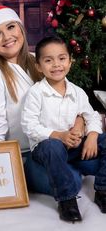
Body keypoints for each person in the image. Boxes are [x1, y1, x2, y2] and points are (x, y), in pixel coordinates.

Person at [0, 5, 85, 195]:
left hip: (57, 144)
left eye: (11, 27)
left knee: (94, 157)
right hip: (24, 155)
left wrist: (79, 124)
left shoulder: (36, 60)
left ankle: (67, 165)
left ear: (21, 28)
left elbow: (72, 97)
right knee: (72, 182)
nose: (7, 37)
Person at [21, 36, 106, 222]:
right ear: (38, 66)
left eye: (61, 58)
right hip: (46, 148)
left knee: (103, 139)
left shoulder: (77, 91)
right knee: (53, 147)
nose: (56, 65)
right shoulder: (36, 93)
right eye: (48, 60)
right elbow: (29, 125)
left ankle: (102, 189)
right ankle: (67, 200)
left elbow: (90, 115)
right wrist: (59, 135)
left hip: (74, 147)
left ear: (70, 61)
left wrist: (91, 136)